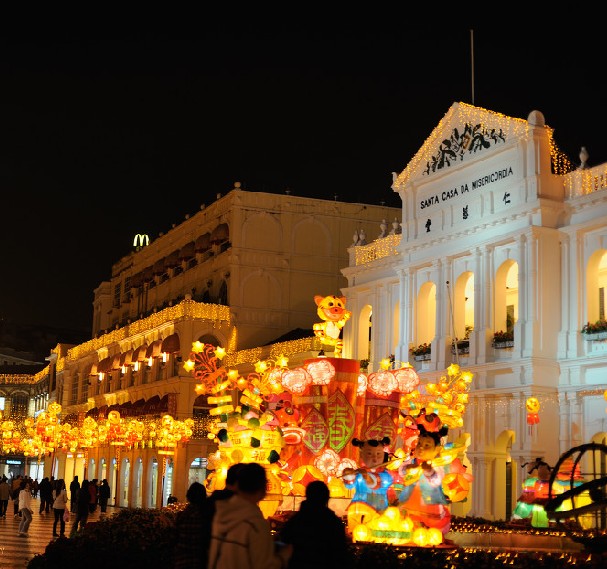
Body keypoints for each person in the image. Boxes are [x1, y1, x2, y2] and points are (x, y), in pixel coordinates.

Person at [208, 462, 292, 569]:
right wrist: (283, 556)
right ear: (263, 489)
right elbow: (264, 565)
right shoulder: (256, 523)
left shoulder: (220, 513)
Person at [279, 480, 351, 569]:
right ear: (327, 497)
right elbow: (340, 555)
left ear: (307, 496)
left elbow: (283, 543)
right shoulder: (333, 523)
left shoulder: (295, 521)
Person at [342, 437, 396, 532]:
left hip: (378, 511)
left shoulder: (386, 475)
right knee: (357, 534)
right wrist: (348, 474)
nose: (374, 458)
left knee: (376, 533)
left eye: (378, 454)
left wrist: (366, 476)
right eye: (369, 454)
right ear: (362, 455)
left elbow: (376, 484)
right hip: (358, 510)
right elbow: (349, 486)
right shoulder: (359, 473)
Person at [173, 481, 209, 569]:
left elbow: (175, 538)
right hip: (199, 562)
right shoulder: (205, 517)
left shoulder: (181, 516)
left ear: (188, 496)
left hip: (182, 561)